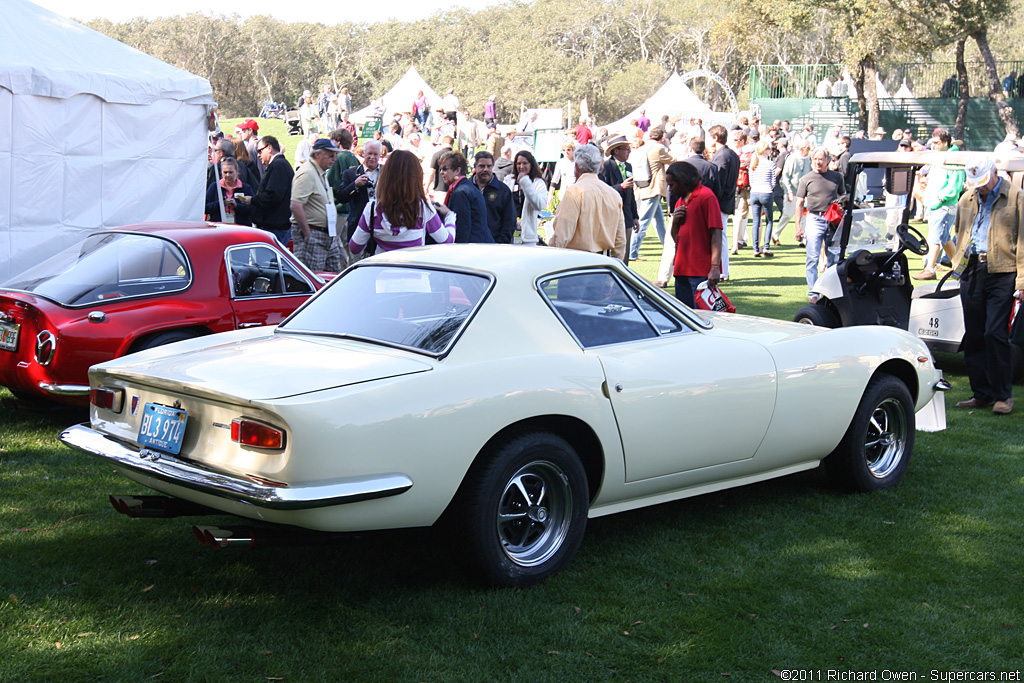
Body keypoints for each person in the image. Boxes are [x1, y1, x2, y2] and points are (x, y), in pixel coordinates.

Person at [951, 156, 1024, 415]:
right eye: (975, 183)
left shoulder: (1016, 196)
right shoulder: (966, 199)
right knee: (974, 334)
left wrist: (1022, 280)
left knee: (994, 333)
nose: (979, 187)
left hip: (1003, 272)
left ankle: (1003, 395)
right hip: (972, 271)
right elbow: (960, 232)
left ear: (995, 173)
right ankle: (981, 394)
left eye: (983, 181)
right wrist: (958, 264)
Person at [348, 150, 455, 256]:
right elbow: (447, 241)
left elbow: (354, 248)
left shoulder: (372, 209)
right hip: (413, 270)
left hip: (382, 270)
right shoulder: (423, 208)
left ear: (386, 176)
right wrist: (450, 216)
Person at [549, 143, 625, 260]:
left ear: (577, 167)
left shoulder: (574, 192)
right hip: (603, 261)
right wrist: (616, 263)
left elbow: (562, 234)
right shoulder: (613, 194)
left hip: (577, 260)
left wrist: (551, 258)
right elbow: (620, 239)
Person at [668, 161, 723, 307]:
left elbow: (716, 234)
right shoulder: (680, 201)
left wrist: (715, 268)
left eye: (672, 184)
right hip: (682, 268)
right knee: (684, 316)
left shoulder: (706, 197)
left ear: (683, 181)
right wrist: (675, 222)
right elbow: (676, 238)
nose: (670, 189)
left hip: (701, 270)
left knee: (704, 317)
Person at [794, 148, 846, 299]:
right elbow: (799, 202)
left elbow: (843, 196)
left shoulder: (837, 177)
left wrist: (842, 207)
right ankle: (813, 292)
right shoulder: (806, 179)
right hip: (814, 218)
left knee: (834, 257)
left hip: (832, 220)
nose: (817, 162)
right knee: (812, 257)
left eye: (820, 159)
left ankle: (829, 291)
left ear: (828, 161)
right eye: (815, 159)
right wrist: (798, 226)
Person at [913, 129, 964, 280]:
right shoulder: (939, 158)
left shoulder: (954, 159)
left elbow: (955, 186)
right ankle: (960, 269)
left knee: (935, 238)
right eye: (932, 142)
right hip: (936, 204)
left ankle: (930, 269)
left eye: (937, 142)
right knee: (944, 238)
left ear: (945, 142)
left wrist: (939, 200)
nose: (933, 145)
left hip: (944, 206)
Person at [290, 138, 345, 272]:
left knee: (333, 277)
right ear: (317, 154)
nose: (334, 159)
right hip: (314, 233)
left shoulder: (320, 172)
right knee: (315, 278)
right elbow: (296, 205)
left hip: (326, 234)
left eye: (336, 155)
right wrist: (307, 233)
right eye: (331, 155)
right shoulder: (307, 173)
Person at [629, 127, 675, 262]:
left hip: (643, 186)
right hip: (653, 188)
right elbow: (673, 160)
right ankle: (632, 252)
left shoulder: (642, 147)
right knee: (643, 222)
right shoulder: (658, 149)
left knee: (659, 221)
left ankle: (669, 247)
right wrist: (667, 146)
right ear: (661, 138)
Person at [242, 136, 293, 245]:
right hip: (276, 225)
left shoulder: (278, 165)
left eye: (260, 151)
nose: (258, 155)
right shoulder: (279, 165)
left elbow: (273, 196)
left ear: (269, 148)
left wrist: (253, 200)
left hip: (275, 227)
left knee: (268, 261)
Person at [337, 139, 383, 257]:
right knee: (356, 261)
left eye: (375, 154)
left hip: (382, 228)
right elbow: (341, 197)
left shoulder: (387, 172)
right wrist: (355, 185)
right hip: (358, 225)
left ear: (380, 155)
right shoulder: (351, 173)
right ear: (363, 153)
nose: (372, 157)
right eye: (369, 154)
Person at [598, 135, 640, 264]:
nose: (629, 151)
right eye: (626, 149)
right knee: (612, 251)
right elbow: (603, 190)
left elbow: (631, 192)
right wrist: (620, 187)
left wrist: (635, 216)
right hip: (611, 215)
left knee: (624, 251)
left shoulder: (628, 167)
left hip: (626, 214)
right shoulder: (606, 166)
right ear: (616, 151)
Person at [441, 151, 492, 244]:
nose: (441, 172)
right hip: (481, 243)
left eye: (445, 169)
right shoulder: (466, 187)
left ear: (457, 170)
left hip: (473, 246)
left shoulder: (461, 192)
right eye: (441, 169)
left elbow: (462, 227)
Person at [708, 124, 738, 280]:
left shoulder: (722, 156)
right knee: (722, 236)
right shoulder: (732, 154)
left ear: (715, 138)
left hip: (721, 202)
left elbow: (718, 182)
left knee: (720, 237)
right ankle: (723, 271)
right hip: (728, 200)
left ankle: (723, 271)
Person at [472, 151, 516, 243]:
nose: (485, 169)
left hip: (495, 245)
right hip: (470, 245)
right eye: (481, 166)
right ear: (475, 167)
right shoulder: (466, 189)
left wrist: (500, 243)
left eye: (489, 166)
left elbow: (510, 220)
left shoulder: (503, 190)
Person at [509, 150, 548, 246]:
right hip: (510, 233)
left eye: (525, 163)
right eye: (518, 163)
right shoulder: (509, 180)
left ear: (531, 164)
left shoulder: (538, 183)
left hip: (528, 236)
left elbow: (539, 205)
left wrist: (526, 182)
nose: (521, 167)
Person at [747, 139, 777, 257]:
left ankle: (755, 248)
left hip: (754, 192)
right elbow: (773, 181)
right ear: (766, 151)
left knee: (756, 221)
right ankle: (766, 247)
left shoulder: (753, 163)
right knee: (769, 220)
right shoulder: (770, 164)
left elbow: (751, 180)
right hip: (766, 192)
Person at [205, 158, 254, 225]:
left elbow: (253, 210)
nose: (228, 175)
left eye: (230, 172)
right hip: (219, 228)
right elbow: (206, 208)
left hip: (240, 228)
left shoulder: (245, 188)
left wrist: (237, 206)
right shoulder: (215, 187)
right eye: (225, 172)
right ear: (221, 172)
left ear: (237, 171)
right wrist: (221, 204)